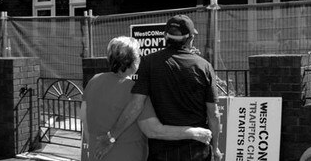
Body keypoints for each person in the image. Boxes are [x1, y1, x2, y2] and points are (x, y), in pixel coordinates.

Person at [93, 15, 222, 161]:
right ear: (190, 39)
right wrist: (215, 147)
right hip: (196, 149)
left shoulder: (148, 63)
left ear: (165, 37)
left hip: (161, 151)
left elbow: (136, 105)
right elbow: (214, 114)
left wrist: (111, 138)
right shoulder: (204, 66)